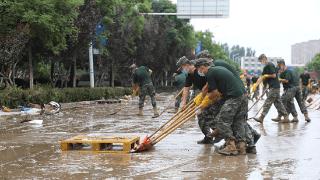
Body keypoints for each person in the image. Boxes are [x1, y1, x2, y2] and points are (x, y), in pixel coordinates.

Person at [195, 58, 248, 156]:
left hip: (234, 97)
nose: (200, 72)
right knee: (238, 121)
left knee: (222, 121)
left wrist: (203, 105)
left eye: (199, 70)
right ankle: (241, 147)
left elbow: (214, 93)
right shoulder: (217, 69)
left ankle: (231, 146)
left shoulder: (210, 73)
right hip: (243, 96)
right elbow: (211, 89)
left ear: (202, 68)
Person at [177, 56, 212, 144]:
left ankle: (223, 136)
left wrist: (202, 100)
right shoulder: (190, 74)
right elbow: (186, 88)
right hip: (203, 94)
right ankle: (208, 136)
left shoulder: (200, 70)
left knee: (212, 116)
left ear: (186, 65)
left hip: (212, 93)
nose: (182, 70)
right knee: (200, 117)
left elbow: (209, 85)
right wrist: (183, 103)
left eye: (182, 67)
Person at [253, 54, 289, 123]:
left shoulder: (269, 65)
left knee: (268, 102)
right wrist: (256, 84)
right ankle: (286, 117)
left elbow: (274, 75)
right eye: (260, 61)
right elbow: (262, 76)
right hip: (274, 87)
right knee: (278, 103)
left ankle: (261, 117)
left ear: (264, 59)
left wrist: (267, 75)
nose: (261, 62)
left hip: (274, 87)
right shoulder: (266, 67)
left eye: (261, 61)